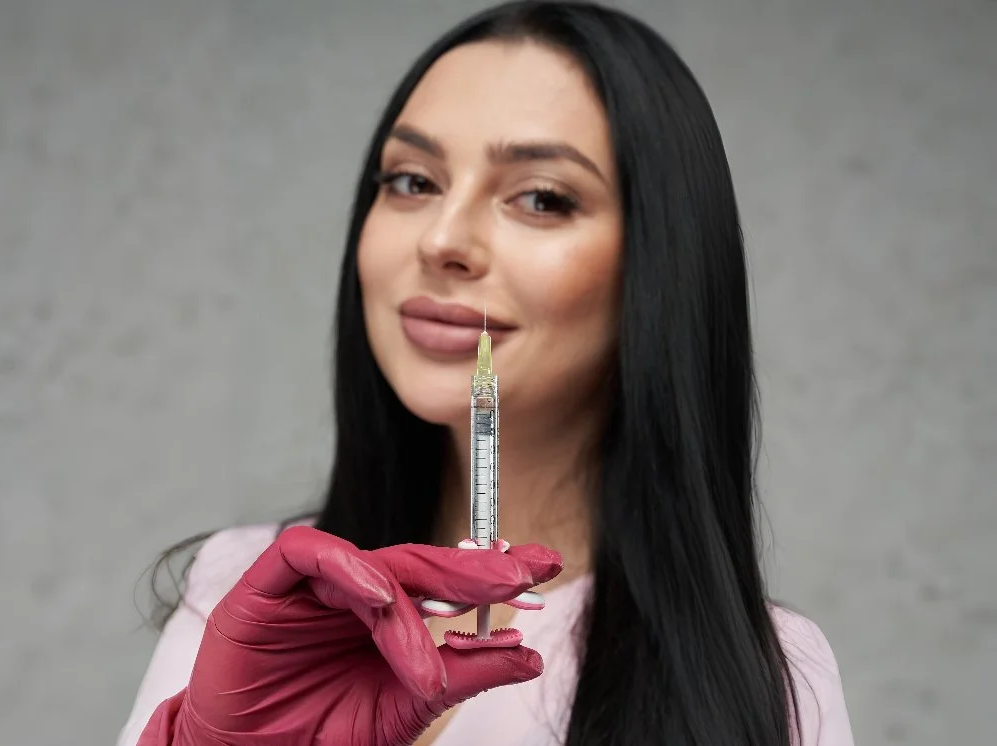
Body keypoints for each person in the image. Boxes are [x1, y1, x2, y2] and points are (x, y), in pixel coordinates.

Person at [117, 2, 855, 745]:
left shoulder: (760, 680)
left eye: (541, 197)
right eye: (413, 181)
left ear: (661, 263)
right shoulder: (245, 596)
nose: (441, 240)